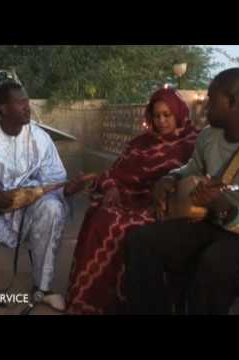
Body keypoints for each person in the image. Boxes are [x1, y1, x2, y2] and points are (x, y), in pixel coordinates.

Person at [124, 68, 239, 315]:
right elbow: (191, 168)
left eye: (212, 100)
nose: (204, 108)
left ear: (233, 102)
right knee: (140, 241)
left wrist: (221, 206)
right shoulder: (208, 136)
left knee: (213, 264)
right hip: (212, 220)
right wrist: (170, 178)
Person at [0, 81, 86, 311]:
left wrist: (69, 189)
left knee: (53, 208)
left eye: (27, 101)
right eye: (20, 102)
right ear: (3, 108)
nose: (27, 106)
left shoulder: (40, 138)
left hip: (28, 210)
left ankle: (43, 289)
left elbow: (54, 180)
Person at [66, 88, 199, 314]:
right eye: (157, 115)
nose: (161, 121)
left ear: (178, 113)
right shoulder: (140, 142)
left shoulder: (191, 144)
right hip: (128, 198)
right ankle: (90, 302)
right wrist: (110, 188)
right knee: (101, 216)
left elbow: (189, 181)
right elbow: (114, 172)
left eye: (167, 115)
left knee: (128, 229)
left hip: (162, 207)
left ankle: (127, 304)